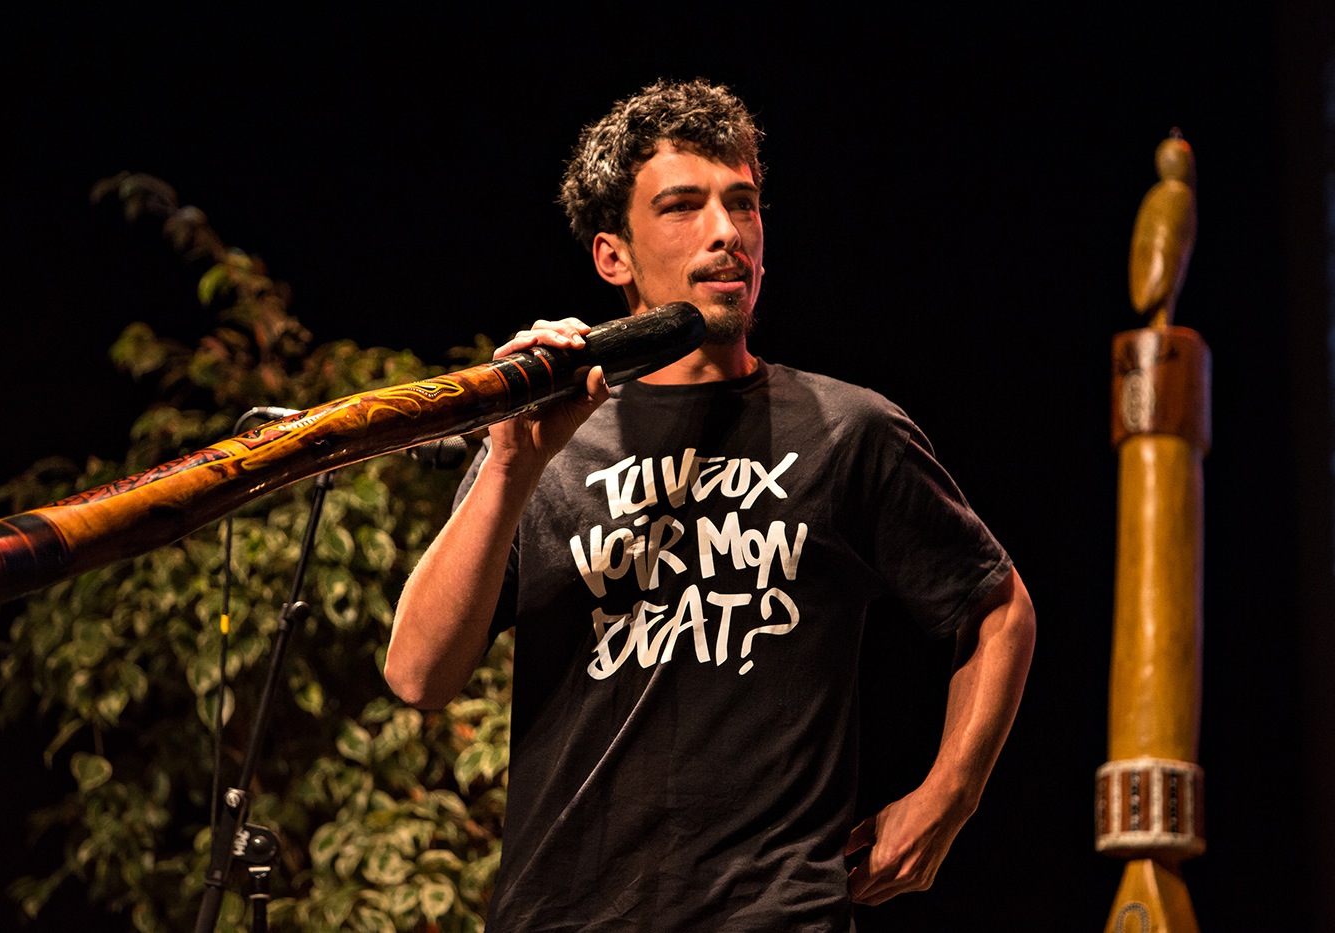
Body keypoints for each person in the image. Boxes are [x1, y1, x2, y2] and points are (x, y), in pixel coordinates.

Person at [386, 78, 1035, 931]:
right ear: (613, 256)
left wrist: (949, 796)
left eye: (743, 203)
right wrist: (511, 460)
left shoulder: (849, 430)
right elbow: (418, 674)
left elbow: (999, 608)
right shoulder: (545, 441)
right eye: (684, 207)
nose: (726, 231)